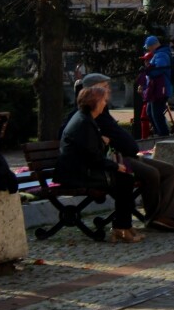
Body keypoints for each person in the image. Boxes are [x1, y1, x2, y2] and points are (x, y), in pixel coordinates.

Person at [62, 74, 174, 233]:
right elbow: (70, 137)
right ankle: (154, 217)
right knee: (151, 173)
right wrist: (101, 141)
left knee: (169, 170)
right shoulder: (84, 113)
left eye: (107, 88)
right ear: (93, 91)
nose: (108, 92)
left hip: (123, 156)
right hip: (112, 160)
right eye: (104, 88)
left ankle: (166, 217)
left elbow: (118, 135)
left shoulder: (102, 110)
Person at [56, 85, 143, 243]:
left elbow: (91, 152)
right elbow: (92, 157)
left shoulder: (86, 119)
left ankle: (123, 225)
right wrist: (115, 166)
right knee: (125, 179)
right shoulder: (84, 123)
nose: (105, 103)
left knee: (125, 178)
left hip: (80, 169)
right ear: (94, 102)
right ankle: (121, 227)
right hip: (77, 174)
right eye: (103, 100)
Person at [142, 35, 172, 137]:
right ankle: (159, 134)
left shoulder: (161, 54)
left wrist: (149, 71)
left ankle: (163, 136)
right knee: (150, 112)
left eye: (149, 47)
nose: (148, 49)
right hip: (157, 90)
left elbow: (159, 69)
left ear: (153, 45)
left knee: (156, 114)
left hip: (160, 90)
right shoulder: (159, 54)